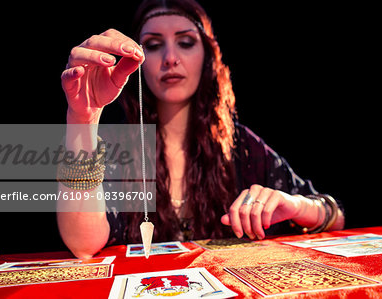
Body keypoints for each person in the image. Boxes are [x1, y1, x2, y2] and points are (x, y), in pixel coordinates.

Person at [57, 0, 345, 259]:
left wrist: (294, 205)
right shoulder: (109, 146)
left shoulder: (240, 145)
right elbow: (83, 245)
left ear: (208, 57)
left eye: (185, 42)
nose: (171, 58)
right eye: (154, 45)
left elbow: (336, 218)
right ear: (137, 63)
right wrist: (84, 118)